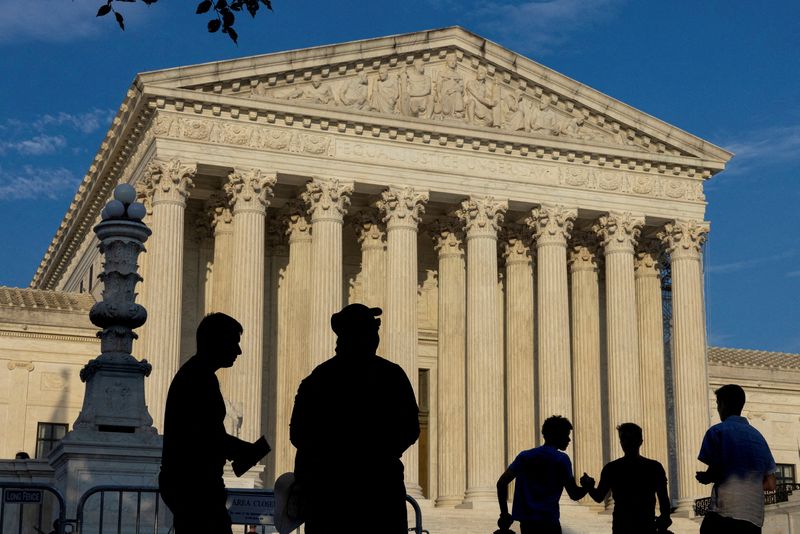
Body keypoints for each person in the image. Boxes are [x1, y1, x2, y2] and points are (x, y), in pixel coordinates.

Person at [290, 303, 419, 534]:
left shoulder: (319, 378)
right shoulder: (391, 375)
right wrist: (380, 453)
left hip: (330, 491)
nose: (376, 337)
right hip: (378, 491)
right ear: (364, 336)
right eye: (372, 331)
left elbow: (299, 434)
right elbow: (410, 428)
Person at [159, 313, 270, 534]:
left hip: (189, 482)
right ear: (216, 342)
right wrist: (244, 449)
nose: (238, 351)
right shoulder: (199, 378)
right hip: (195, 484)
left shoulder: (196, 374)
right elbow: (204, 434)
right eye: (234, 343)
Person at [696, 384, 776, 534]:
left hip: (725, 511)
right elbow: (771, 484)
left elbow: (716, 470)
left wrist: (705, 477)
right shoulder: (759, 438)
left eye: (717, 404)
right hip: (754, 517)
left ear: (723, 404)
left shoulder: (717, 431)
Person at [496, 415, 594, 534]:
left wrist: (504, 513)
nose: (569, 440)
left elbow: (501, 483)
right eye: (566, 435)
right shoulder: (561, 459)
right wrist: (587, 486)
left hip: (527, 525)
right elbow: (574, 494)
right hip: (549, 523)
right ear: (556, 436)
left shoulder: (525, 456)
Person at [584, 423, 671, 533]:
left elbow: (598, 497)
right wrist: (665, 517)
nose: (626, 442)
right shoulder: (654, 467)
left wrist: (589, 486)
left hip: (626, 525)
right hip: (642, 525)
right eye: (623, 439)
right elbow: (663, 499)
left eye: (629, 438)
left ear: (640, 441)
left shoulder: (612, 468)